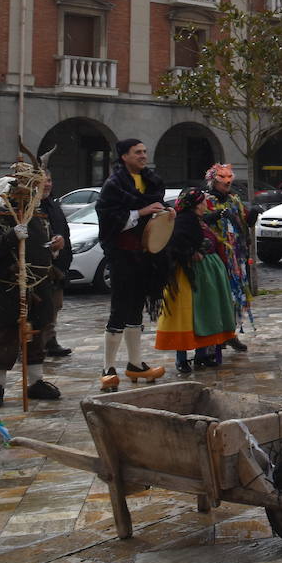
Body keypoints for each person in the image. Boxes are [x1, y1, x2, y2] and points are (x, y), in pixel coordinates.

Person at [0, 168, 61, 409]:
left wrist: (54, 247)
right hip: (7, 288)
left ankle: (35, 382)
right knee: (4, 337)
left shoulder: (37, 217)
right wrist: (11, 236)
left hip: (37, 289)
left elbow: (43, 248)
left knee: (36, 336)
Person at [95, 139, 169, 391]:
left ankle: (135, 364)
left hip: (144, 257)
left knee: (136, 309)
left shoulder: (151, 181)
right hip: (121, 255)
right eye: (138, 152)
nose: (143, 155)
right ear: (124, 156)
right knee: (119, 309)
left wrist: (166, 213)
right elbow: (109, 218)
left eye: (144, 151)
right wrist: (142, 211)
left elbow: (153, 211)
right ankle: (107, 368)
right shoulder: (113, 185)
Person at [156, 189, 236, 373]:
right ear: (194, 205)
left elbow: (203, 226)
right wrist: (191, 253)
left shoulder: (195, 219)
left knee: (206, 313)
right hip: (186, 277)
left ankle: (202, 355)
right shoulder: (183, 221)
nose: (204, 205)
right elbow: (175, 244)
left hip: (203, 275)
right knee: (187, 316)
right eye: (201, 202)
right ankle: (181, 359)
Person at [205, 163, 255, 352]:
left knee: (236, 296)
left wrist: (253, 214)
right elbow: (199, 219)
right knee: (217, 296)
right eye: (222, 179)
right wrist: (215, 215)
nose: (227, 182)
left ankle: (230, 334)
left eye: (229, 178)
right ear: (213, 181)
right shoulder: (206, 200)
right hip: (215, 255)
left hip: (236, 256)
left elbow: (245, 221)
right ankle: (214, 337)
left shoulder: (234, 200)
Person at [39, 170, 73, 358]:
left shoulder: (53, 204)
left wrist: (65, 251)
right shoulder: (30, 206)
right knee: (39, 308)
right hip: (39, 267)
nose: (47, 184)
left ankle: (50, 340)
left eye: (49, 180)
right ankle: (30, 344)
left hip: (57, 266)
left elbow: (64, 231)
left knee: (54, 305)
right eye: (43, 181)